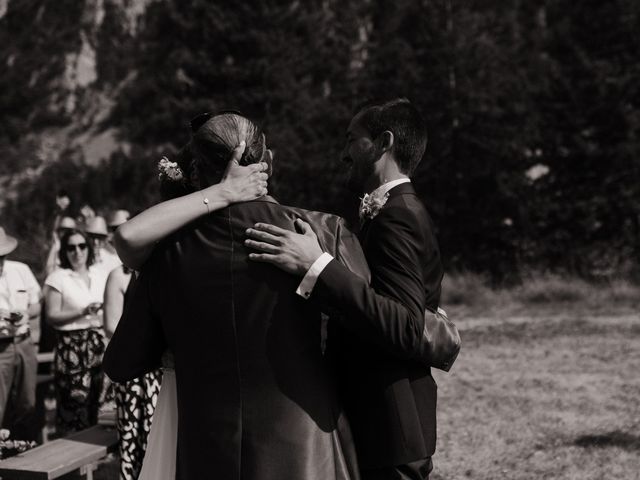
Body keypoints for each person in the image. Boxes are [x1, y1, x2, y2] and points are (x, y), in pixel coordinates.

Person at [104, 112, 369, 480]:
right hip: (304, 450)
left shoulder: (168, 254)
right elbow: (368, 328)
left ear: (196, 173)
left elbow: (121, 363)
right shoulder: (323, 233)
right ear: (269, 161)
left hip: (207, 454)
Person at [245, 98, 444, 479]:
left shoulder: (398, 216)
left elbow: (404, 325)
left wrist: (316, 266)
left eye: (352, 140)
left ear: (383, 143)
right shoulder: (393, 211)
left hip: (390, 420)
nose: (343, 153)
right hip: (381, 416)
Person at [43, 229, 108, 435]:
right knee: (74, 405)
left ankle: (97, 461)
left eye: (81, 246)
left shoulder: (99, 274)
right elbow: (52, 316)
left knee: (100, 401)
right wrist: (81, 311)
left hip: (98, 342)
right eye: (71, 247)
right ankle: (74, 463)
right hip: (72, 347)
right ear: (65, 252)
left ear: (88, 248)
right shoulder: (58, 277)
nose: (77, 252)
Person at [104, 259, 162, 480]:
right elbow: (111, 325)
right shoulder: (119, 275)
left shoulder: (163, 268)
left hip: (161, 371)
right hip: (134, 371)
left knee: (156, 437)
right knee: (131, 440)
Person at [0, 227, 41, 441]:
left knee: (27, 401)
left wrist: (25, 314)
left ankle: (25, 451)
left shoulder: (21, 270)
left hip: (24, 341)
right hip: (1, 346)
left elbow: (36, 305)